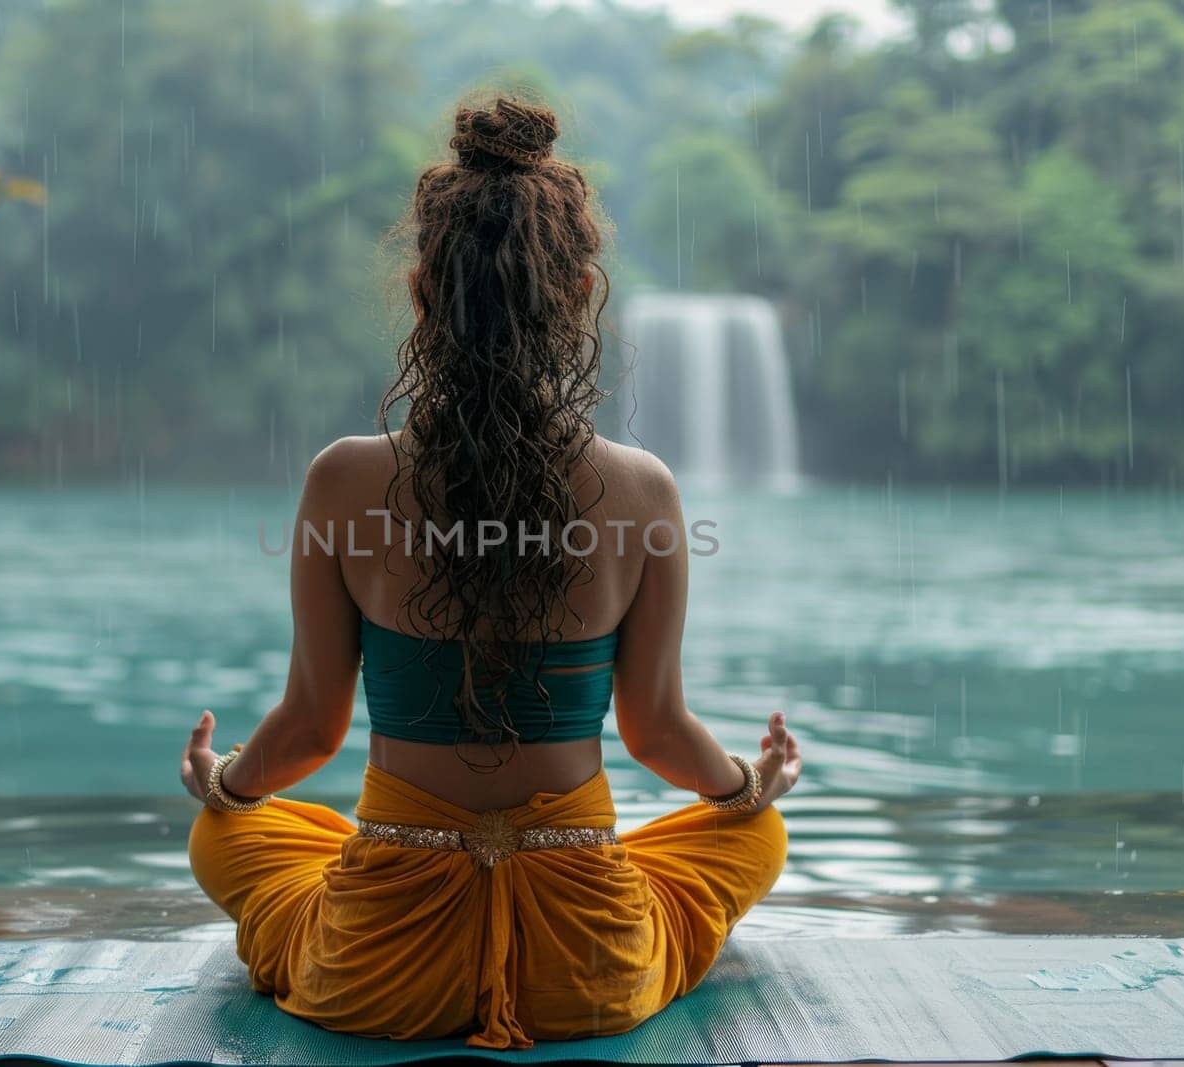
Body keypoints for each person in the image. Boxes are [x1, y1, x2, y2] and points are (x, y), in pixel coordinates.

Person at [181, 93, 801, 1051]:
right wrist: (750, 786)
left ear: (424, 289)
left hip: (379, 967)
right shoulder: (643, 489)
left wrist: (222, 782)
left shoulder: (344, 477)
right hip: (584, 964)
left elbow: (311, 727)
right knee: (752, 836)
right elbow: (656, 732)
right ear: (580, 293)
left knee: (236, 831)